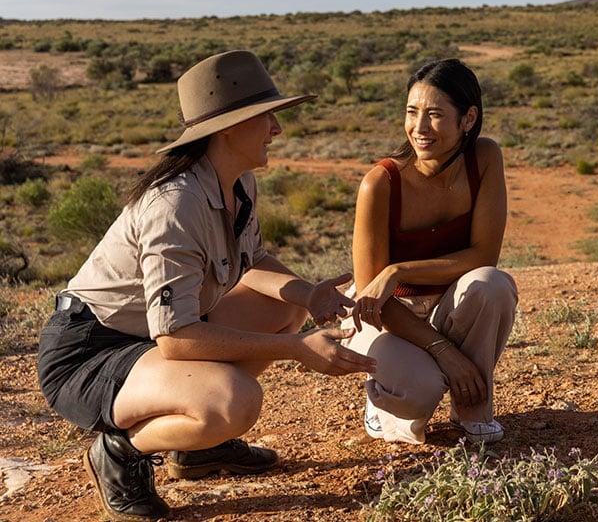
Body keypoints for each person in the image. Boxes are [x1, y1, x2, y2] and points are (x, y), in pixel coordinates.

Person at [37, 50, 377, 521]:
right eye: (266, 117)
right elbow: (176, 338)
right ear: (229, 128)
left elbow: (252, 260)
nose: (276, 129)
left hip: (148, 337)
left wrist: (308, 294)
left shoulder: (235, 183)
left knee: (282, 307)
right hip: (92, 351)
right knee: (231, 400)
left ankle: (197, 449)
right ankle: (120, 451)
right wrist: (297, 349)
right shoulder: (175, 206)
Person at [344, 58, 516, 445]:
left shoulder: (484, 158)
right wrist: (444, 352)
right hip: (386, 317)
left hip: (446, 304)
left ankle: (473, 410)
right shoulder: (381, 184)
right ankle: (383, 400)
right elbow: (373, 301)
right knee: (420, 391)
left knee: (492, 285)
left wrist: (399, 269)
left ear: (468, 119)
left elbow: (483, 256)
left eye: (435, 115)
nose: (419, 129)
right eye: (411, 112)